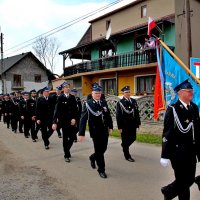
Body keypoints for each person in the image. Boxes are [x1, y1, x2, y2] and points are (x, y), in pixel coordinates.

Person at [160, 79, 200, 200]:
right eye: (188, 91)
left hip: (192, 151)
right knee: (183, 180)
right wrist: (165, 155)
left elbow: (197, 130)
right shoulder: (173, 109)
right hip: (177, 152)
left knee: (189, 179)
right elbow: (167, 133)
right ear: (180, 93)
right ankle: (170, 192)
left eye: (192, 91)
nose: (191, 93)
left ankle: (168, 191)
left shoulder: (194, 107)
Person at [78, 84, 113, 178]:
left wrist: (110, 127)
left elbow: (108, 115)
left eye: (99, 93)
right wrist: (81, 133)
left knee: (103, 149)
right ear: (92, 93)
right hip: (95, 131)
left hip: (104, 130)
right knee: (99, 151)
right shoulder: (88, 103)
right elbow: (83, 119)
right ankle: (101, 170)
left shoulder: (103, 102)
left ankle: (92, 157)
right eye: (96, 93)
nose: (98, 95)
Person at [52, 82, 78, 162]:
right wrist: (54, 122)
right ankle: (66, 154)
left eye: (68, 87)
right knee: (65, 138)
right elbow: (57, 110)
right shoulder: (60, 98)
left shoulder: (72, 97)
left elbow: (75, 110)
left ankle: (67, 150)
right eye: (66, 87)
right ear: (63, 89)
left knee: (73, 136)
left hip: (72, 121)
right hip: (64, 121)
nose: (68, 88)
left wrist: (74, 118)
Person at [116, 86, 141, 162]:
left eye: (129, 92)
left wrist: (138, 123)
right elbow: (118, 115)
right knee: (125, 140)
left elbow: (136, 113)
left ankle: (124, 146)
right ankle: (127, 156)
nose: (128, 93)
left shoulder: (133, 101)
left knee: (133, 138)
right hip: (124, 125)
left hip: (132, 124)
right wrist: (119, 127)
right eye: (126, 92)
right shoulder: (120, 103)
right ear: (123, 93)